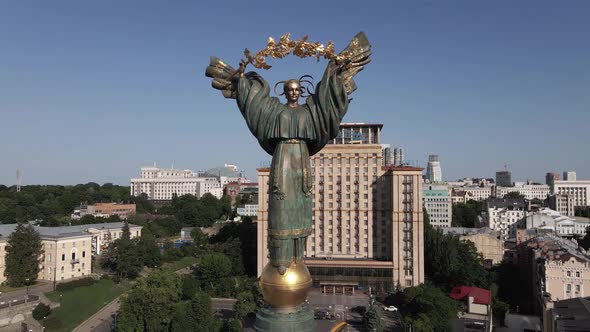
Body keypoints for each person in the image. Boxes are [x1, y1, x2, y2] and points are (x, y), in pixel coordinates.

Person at [206, 32, 370, 275]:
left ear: (301, 92)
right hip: (283, 158)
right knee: (281, 205)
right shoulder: (275, 111)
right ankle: (280, 257)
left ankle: (298, 254)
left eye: (297, 90)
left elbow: (327, 101)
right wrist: (241, 81)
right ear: (284, 92)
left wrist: (335, 72)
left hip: (301, 160)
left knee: (302, 203)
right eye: (290, 90)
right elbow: (255, 104)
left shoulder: (309, 112)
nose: (294, 93)